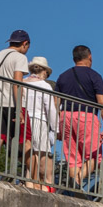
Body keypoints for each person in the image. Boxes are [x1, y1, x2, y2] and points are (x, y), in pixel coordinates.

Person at [53, 45, 103, 188]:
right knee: (95, 157)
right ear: (90, 56)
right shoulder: (94, 76)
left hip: (65, 117)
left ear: (74, 59)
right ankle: (76, 181)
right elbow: (102, 103)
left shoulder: (63, 76)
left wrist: (57, 125)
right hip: (87, 117)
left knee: (73, 159)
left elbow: (55, 103)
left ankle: (73, 191)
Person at [0, 29, 31, 177]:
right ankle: (31, 176)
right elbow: (17, 83)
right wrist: (19, 109)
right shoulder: (19, 58)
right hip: (12, 104)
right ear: (25, 44)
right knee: (24, 142)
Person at [22, 57, 58, 191]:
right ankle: (42, 187)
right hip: (40, 121)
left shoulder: (23, 82)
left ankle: (29, 184)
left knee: (30, 155)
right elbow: (51, 111)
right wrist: (55, 129)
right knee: (40, 155)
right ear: (44, 71)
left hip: (25, 120)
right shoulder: (45, 86)